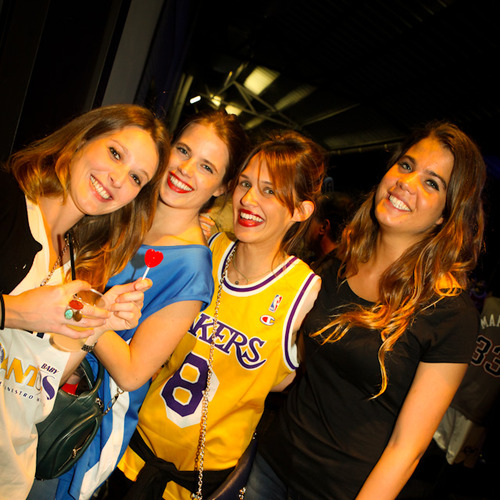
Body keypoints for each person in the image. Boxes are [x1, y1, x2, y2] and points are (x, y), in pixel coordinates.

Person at [245, 121, 486, 500]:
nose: (407, 182)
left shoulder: (449, 314)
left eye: (432, 183)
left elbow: (407, 449)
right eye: (406, 166)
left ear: (446, 214)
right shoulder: (336, 266)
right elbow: (290, 363)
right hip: (271, 462)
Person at [37, 109, 249, 500]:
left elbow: (133, 372)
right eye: (183, 150)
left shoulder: (191, 267)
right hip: (31, 372)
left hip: (71, 420)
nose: (185, 169)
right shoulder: (124, 203)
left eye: (206, 167)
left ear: (222, 187)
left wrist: (78, 302)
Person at [105, 129, 325, 499]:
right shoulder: (203, 248)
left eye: (270, 191)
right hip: (132, 449)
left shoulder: (305, 294)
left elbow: (284, 380)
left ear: (301, 211)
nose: (249, 199)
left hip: (202, 482)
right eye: (246, 184)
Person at [0, 103, 170, 499]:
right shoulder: (7, 201)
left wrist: (97, 327)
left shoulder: (82, 266)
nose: (117, 179)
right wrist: (16, 311)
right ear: (82, 139)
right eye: (115, 153)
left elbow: (40, 383)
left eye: (136, 178)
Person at [302, 191, 354, 274]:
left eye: (310, 221)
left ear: (323, 226)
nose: (305, 227)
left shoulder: (326, 273)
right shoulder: (349, 266)